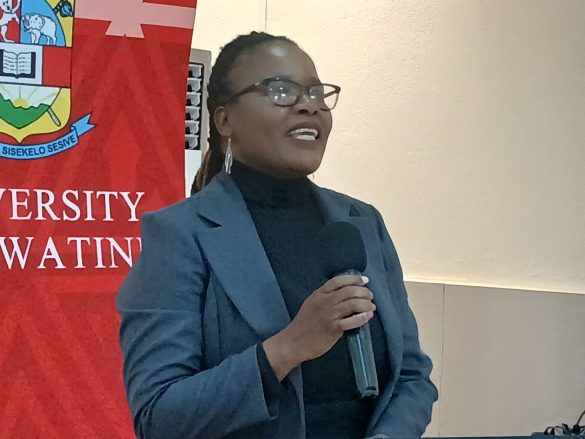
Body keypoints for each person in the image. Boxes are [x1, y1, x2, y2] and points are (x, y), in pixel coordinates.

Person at [117, 31, 438, 439]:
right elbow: (159, 417)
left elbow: (411, 375)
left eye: (316, 93)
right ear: (225, 120)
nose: (309, 105)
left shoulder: (361, 221)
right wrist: (287, 348)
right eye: (281, 90)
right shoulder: (181, 235)